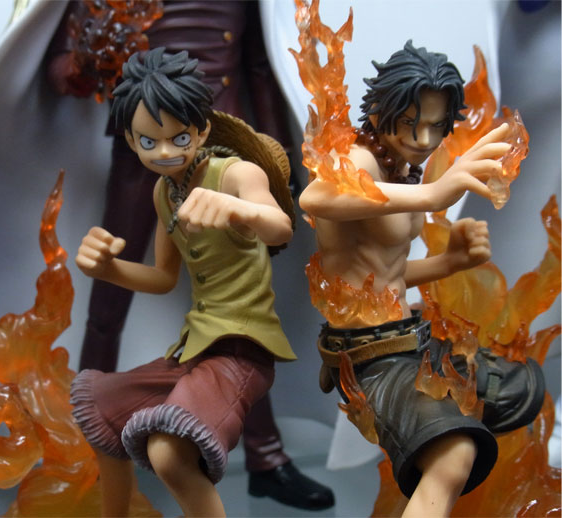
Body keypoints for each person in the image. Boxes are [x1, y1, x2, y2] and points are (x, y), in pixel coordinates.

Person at [47, 1, 334, 510]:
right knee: (102, 403)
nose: (164, 150)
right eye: (149, 142)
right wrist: (108, 266)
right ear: (133, 139)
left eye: (178, 139)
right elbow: (162, 276)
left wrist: (259, 187)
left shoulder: (234, 173)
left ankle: (266, 455)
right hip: (196, 346)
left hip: (242, 345)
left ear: (201, 130)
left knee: (170, 449)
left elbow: (280, 226)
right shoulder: (166, 191)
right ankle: (89, 477)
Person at [299, 41, 545, 517]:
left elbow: (382, 276)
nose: (424, 138)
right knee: (453, 455)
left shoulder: (405, 169)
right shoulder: (358, 160)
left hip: (408, 336)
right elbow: (315, 199)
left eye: (436, 125)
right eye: (411, 122)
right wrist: (434, 194)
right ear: (381, 110)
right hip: (369, 356)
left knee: (517, 391)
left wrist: (449, 262)